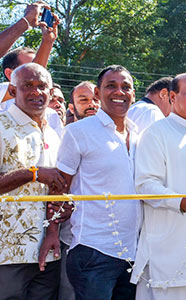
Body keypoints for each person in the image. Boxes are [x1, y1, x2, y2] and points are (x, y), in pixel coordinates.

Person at [132, 72, 186, 299]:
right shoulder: (156, 133)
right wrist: (182, 201)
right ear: (172, 96)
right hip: (168, 254)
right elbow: (145, 186)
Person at [57, 65, 142, 299]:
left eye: (126, 87)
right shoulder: (78, 132)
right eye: (111, 86)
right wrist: (53, 234)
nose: (119, 92)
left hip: (132, 254)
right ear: (97, 92)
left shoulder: (138, 135)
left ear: (133, 93)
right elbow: (59, 188)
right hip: (93, 252)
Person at [0, 63, 66, 299]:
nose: (37, 92)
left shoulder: (54, 134)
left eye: (42, 86)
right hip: (4, 252)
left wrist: (54, 230)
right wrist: (32, 173)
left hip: (47, 252)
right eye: (28, 86)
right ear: (13, 92)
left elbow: (56, 189)